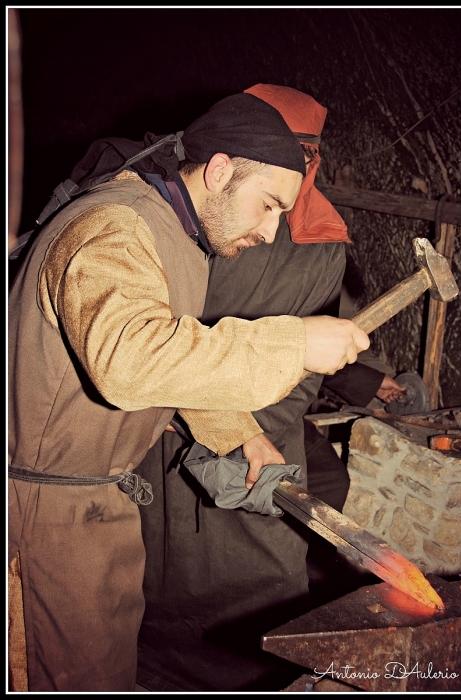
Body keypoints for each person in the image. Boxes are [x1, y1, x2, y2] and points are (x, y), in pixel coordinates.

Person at [8, 92, 371, 692]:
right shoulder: (114, 227)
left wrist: (241, 433)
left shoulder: (180, 236)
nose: (271, 229)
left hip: (93, 508)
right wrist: (293, 345)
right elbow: (128, 359)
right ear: (221, 170)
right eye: (268, 206)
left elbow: (174, 356)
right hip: (40, 519)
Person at [135, 85, 405, 692]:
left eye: (307, 153)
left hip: (259, 428)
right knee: (165, 565)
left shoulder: (314, 240)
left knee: (252, 567)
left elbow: (317, 342)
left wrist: (362, 378)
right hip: (172, 413)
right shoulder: (203, 217)